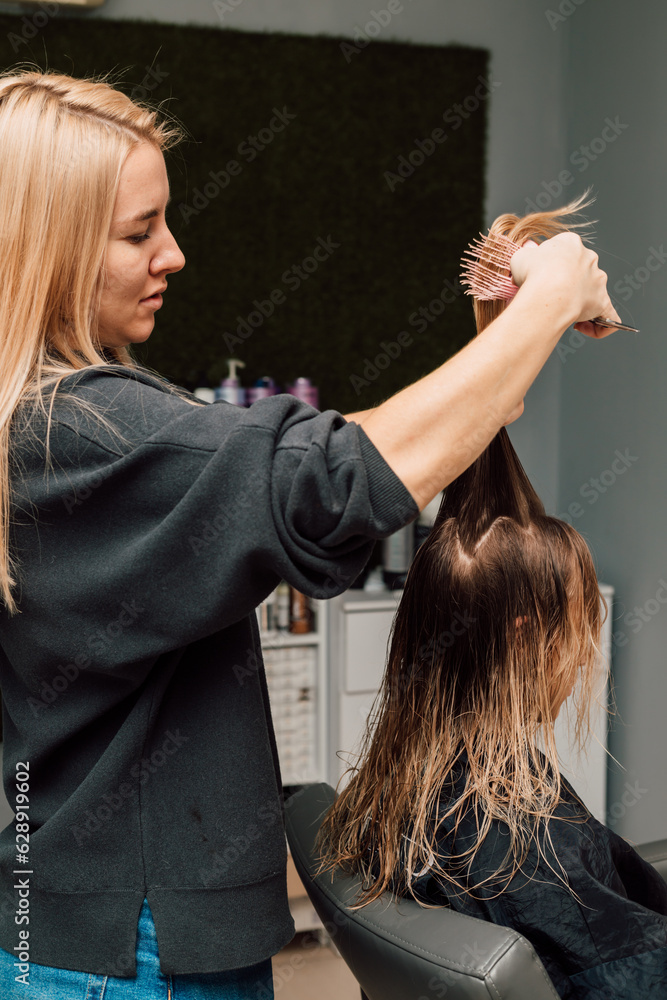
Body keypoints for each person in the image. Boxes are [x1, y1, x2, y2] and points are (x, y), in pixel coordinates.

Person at [0, 69, 619, 999]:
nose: (174, 254)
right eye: (138, 232)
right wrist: (551, 296)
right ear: (45, 247)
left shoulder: (45, 420)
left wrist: (496, 359)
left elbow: (321, 456)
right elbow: (330, 482)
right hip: (125, 957)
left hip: (71, 920)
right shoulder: (79, 430)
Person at [317, 203, 667, 999]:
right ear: (522, 634)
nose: (582, 654)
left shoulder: (403, 791)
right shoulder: (521, 841)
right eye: (577, 628)